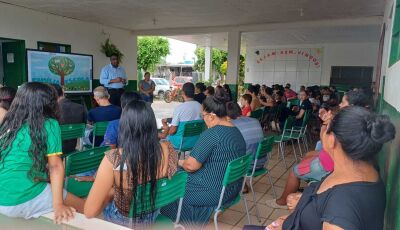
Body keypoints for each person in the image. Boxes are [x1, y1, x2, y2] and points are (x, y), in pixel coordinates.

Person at [265, 107, 395, 230]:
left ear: (332, 139)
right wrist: (302, 208)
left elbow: (338, 211)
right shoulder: (363, 170)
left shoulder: (342, 209)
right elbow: (324, 203)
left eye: (325, 126)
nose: (323, 129)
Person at [84, 100, 178, 227]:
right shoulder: (167, 147)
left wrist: (112, 191)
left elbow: (90, 212)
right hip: (152, 213)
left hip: (123, 220)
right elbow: (170, 176)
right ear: (151, 123)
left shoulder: (113, 158)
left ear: (124, 125)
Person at [0, 82, 84, 222]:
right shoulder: (50, 124)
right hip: (21, 198)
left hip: (2, 198)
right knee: (86, 208)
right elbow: (55, 166)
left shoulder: (8, 123)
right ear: (48, 103)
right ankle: (109, 195)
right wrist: (58, 205)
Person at [160, 95, 246, 227]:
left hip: (214, 192)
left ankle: (185, 222)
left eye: (202, 115)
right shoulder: (236, 131)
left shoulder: (212, 133)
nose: (203, 119)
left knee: (171, 188)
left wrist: (176, 161)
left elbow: (190, 166)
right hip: (232, 189)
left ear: (211, 116)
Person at [159, 82, 202, 148]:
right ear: (194, 92)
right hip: (196, 141)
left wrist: (167, 130)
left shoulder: (180, 108)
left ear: (183, 93)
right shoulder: (200, 106)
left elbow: (172, 131)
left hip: (180, 142)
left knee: (161, 140)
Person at [226, 102, 264, 170]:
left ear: (227, 116)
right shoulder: (255, 121)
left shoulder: (231, 125)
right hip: (262, 162)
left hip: (246, 165)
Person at [52, 84, 87, 154]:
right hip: (72, 148)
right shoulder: (80, 107)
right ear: (63, 93)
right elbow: (84, 125)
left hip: (54, 149)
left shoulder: (52, 110)